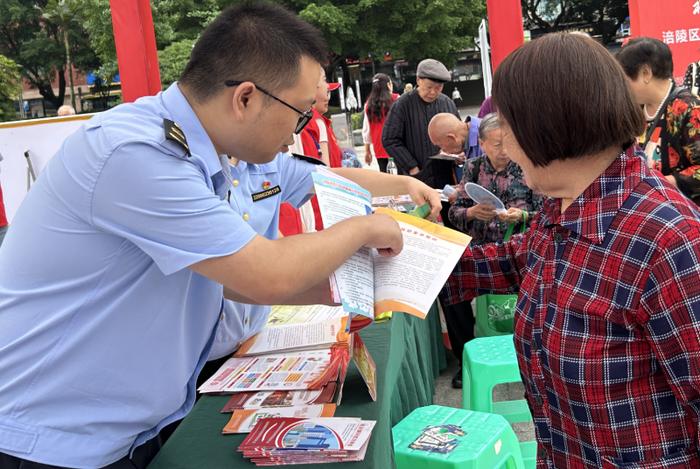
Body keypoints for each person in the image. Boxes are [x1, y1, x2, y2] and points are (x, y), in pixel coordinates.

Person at [0, 3, 442, 468]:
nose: (300, 130)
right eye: (298, 115)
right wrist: (364, 227)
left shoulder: (222, 153)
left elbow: (221, 277)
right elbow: (262, 273)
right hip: (52, 439)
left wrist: (355, 286)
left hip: (132, 424)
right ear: (246, 98)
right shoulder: (137, 154)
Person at [444, 32, 700, 468]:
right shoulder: (564, 206)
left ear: (549, 124)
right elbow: (515, 260)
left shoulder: (668, 241)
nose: (502, 143)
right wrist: (409, 255)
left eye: (509, 124)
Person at [616, 37, 700, 205]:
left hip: (681, 212)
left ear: (646, 73)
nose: (621, 87)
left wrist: (659, 184)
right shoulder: (635, 108)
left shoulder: (687, 108)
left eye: (624, 80)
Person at [446, 113, 541, 245]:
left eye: (509, 144)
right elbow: (454, 212)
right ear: (481, 144)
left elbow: (545, 215)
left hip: (518, 252)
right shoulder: (473, 167)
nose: (504, 151)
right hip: (481, 252)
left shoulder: (528, 167)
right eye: (497, 145)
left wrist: (522, 216)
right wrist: (471, 213)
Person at [362, 73, 399, 172]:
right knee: (400, 175)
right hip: (397, 146)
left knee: (384, 174)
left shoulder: (368, 105)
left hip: (379, 146)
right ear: (388, 85)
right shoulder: (397, 100)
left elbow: (366, 130)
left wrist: (367, 151)